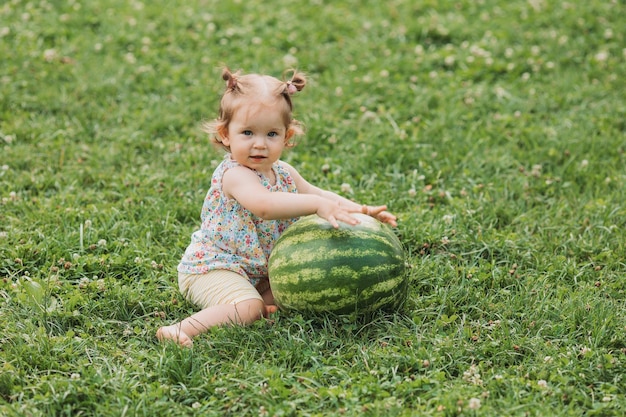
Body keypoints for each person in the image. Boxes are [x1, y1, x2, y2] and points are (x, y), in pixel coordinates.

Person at [156, 68, 397, 347]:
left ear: (287, 136)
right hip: (214, 269)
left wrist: (363, 210)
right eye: (247, 132)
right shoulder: (235, 175)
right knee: (250, 307)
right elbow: (265, 206)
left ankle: (258, 304)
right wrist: (316, 205)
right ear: (225, 135)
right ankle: (180, 329)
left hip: (259, 271)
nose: (259, 144)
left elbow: (322, 194)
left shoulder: (283, 173)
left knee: (291, 295)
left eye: (271, 134)